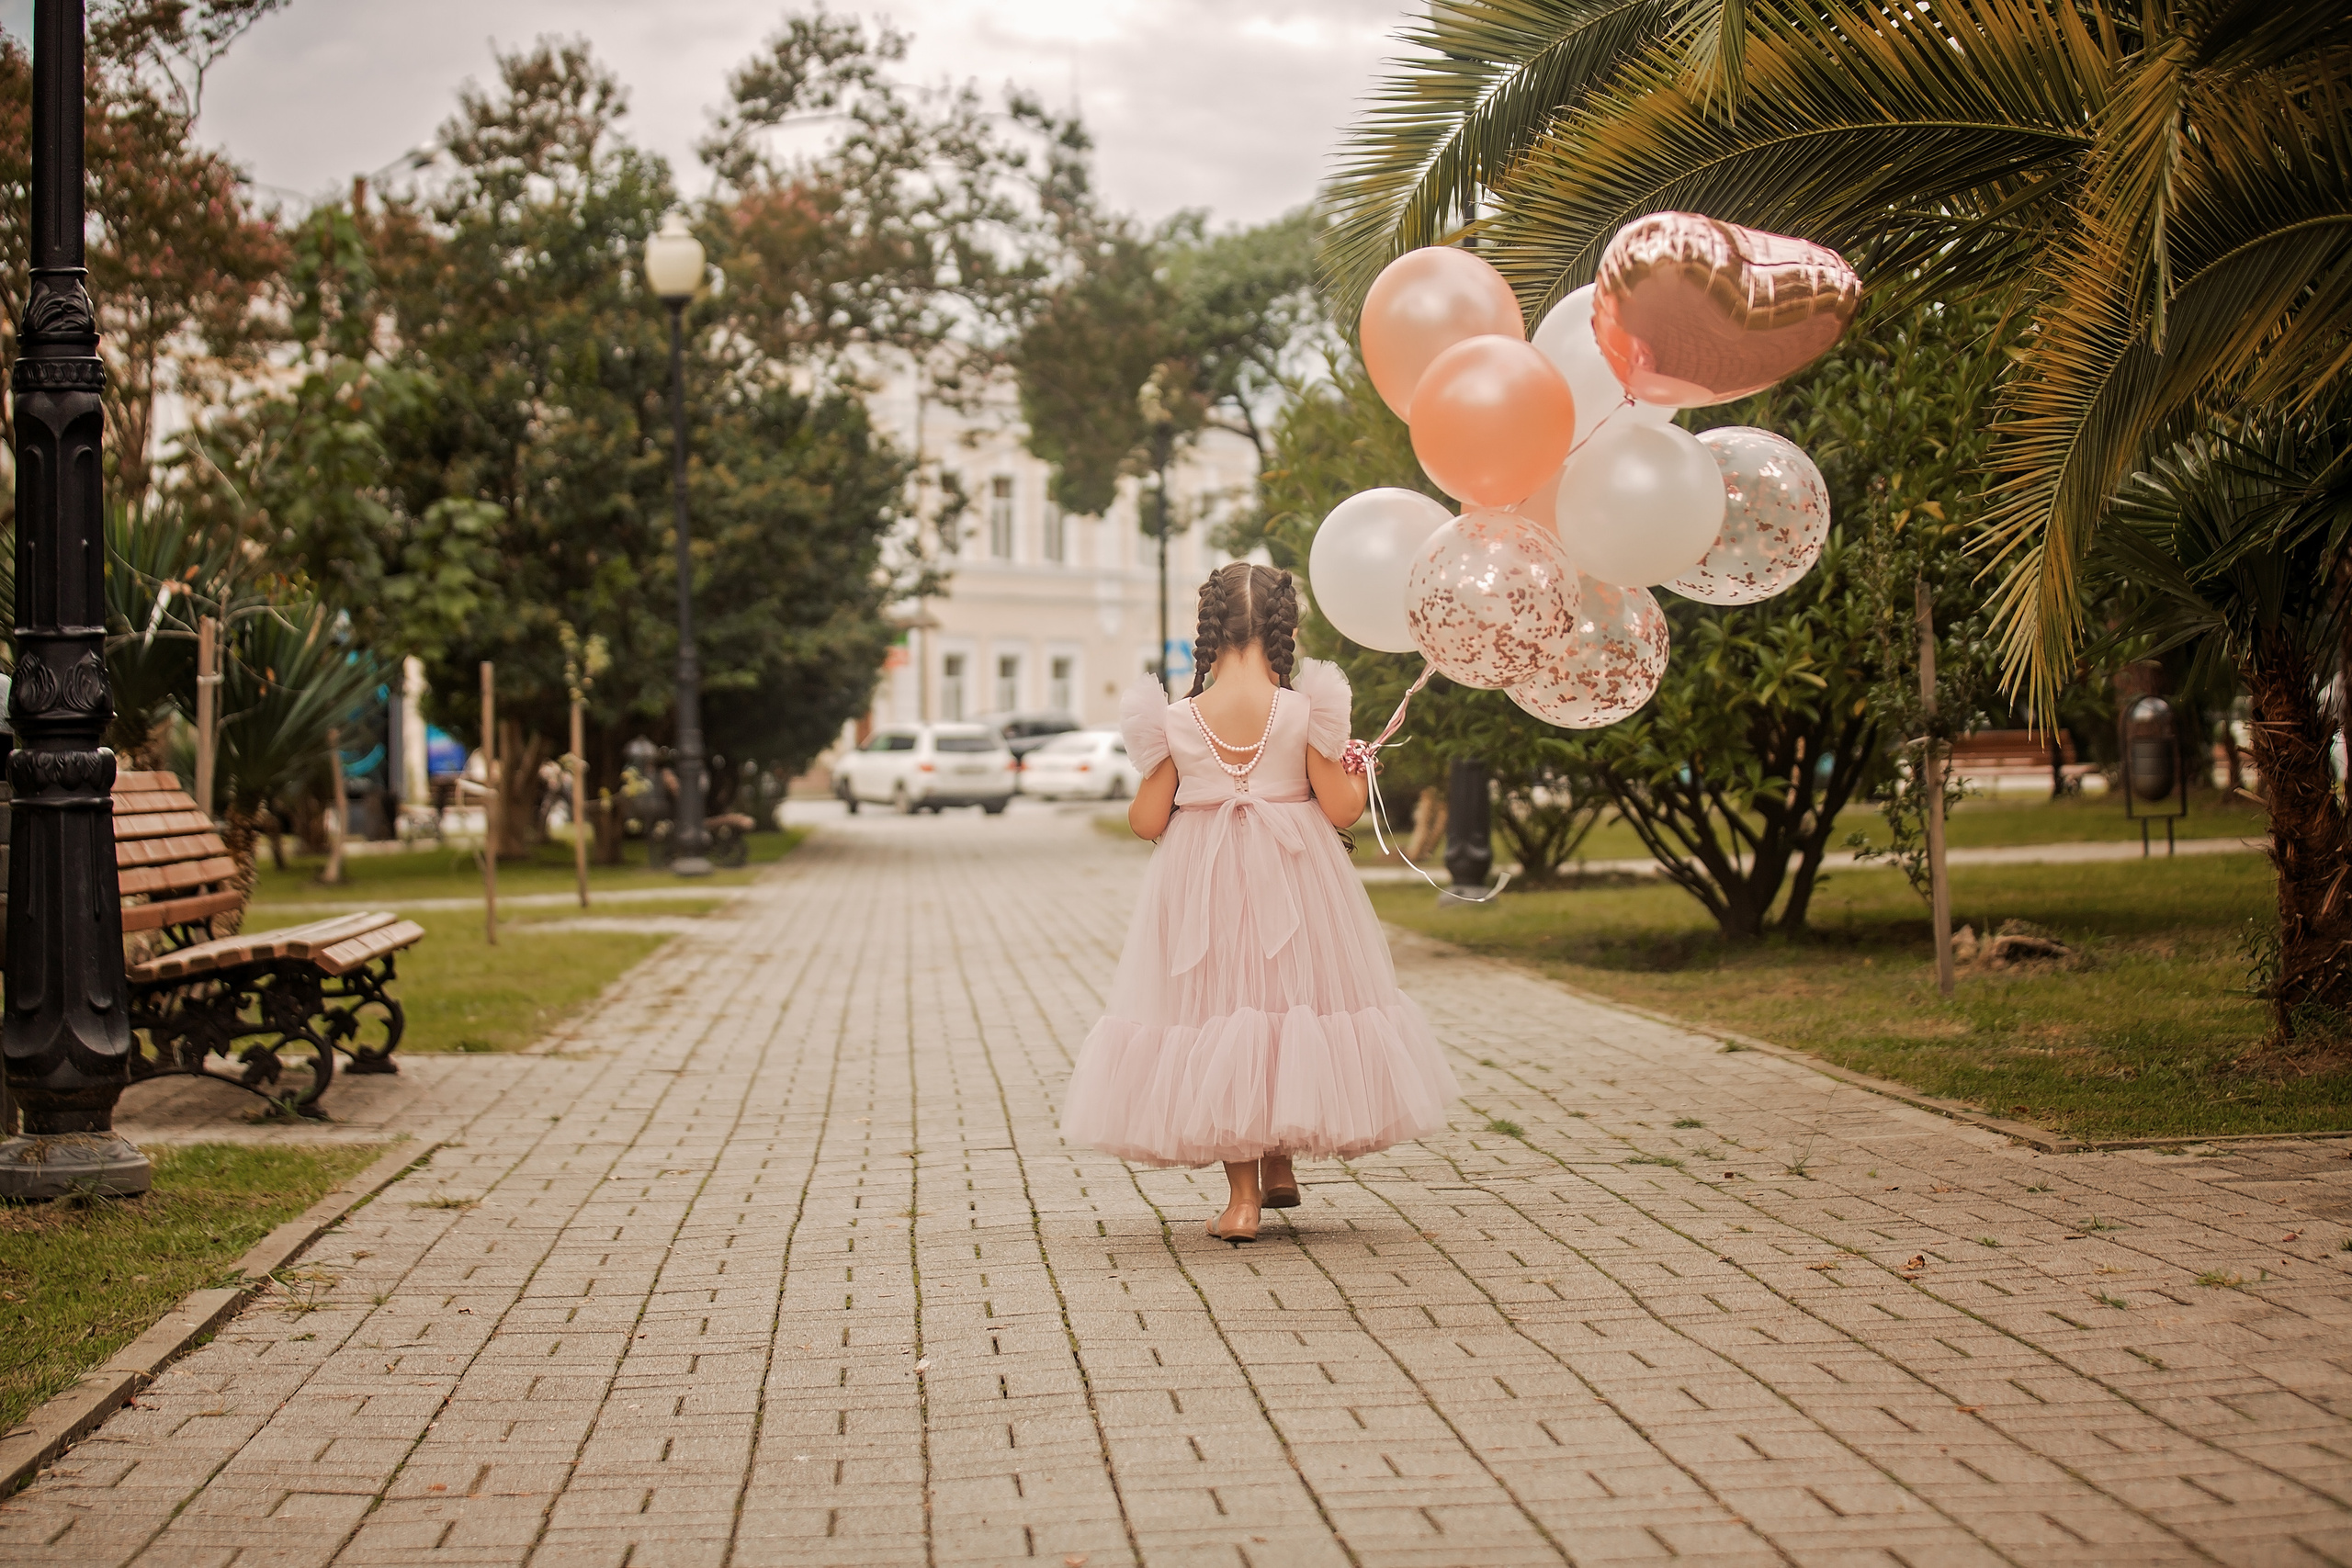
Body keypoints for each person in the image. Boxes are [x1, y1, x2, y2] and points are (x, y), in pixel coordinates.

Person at [1060, 562, 1459, 1244]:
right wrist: (1358, 771)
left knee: (1222, 1013)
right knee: (1287, 1003)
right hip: (1299, 874)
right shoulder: (1307, 712)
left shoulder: (1178, 719)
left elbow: (1147, 820)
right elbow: (1339, 807)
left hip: (1203, 881)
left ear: (1207, 634)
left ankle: (1244, 1199)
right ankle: (1282, 1163)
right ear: (1287, 632)